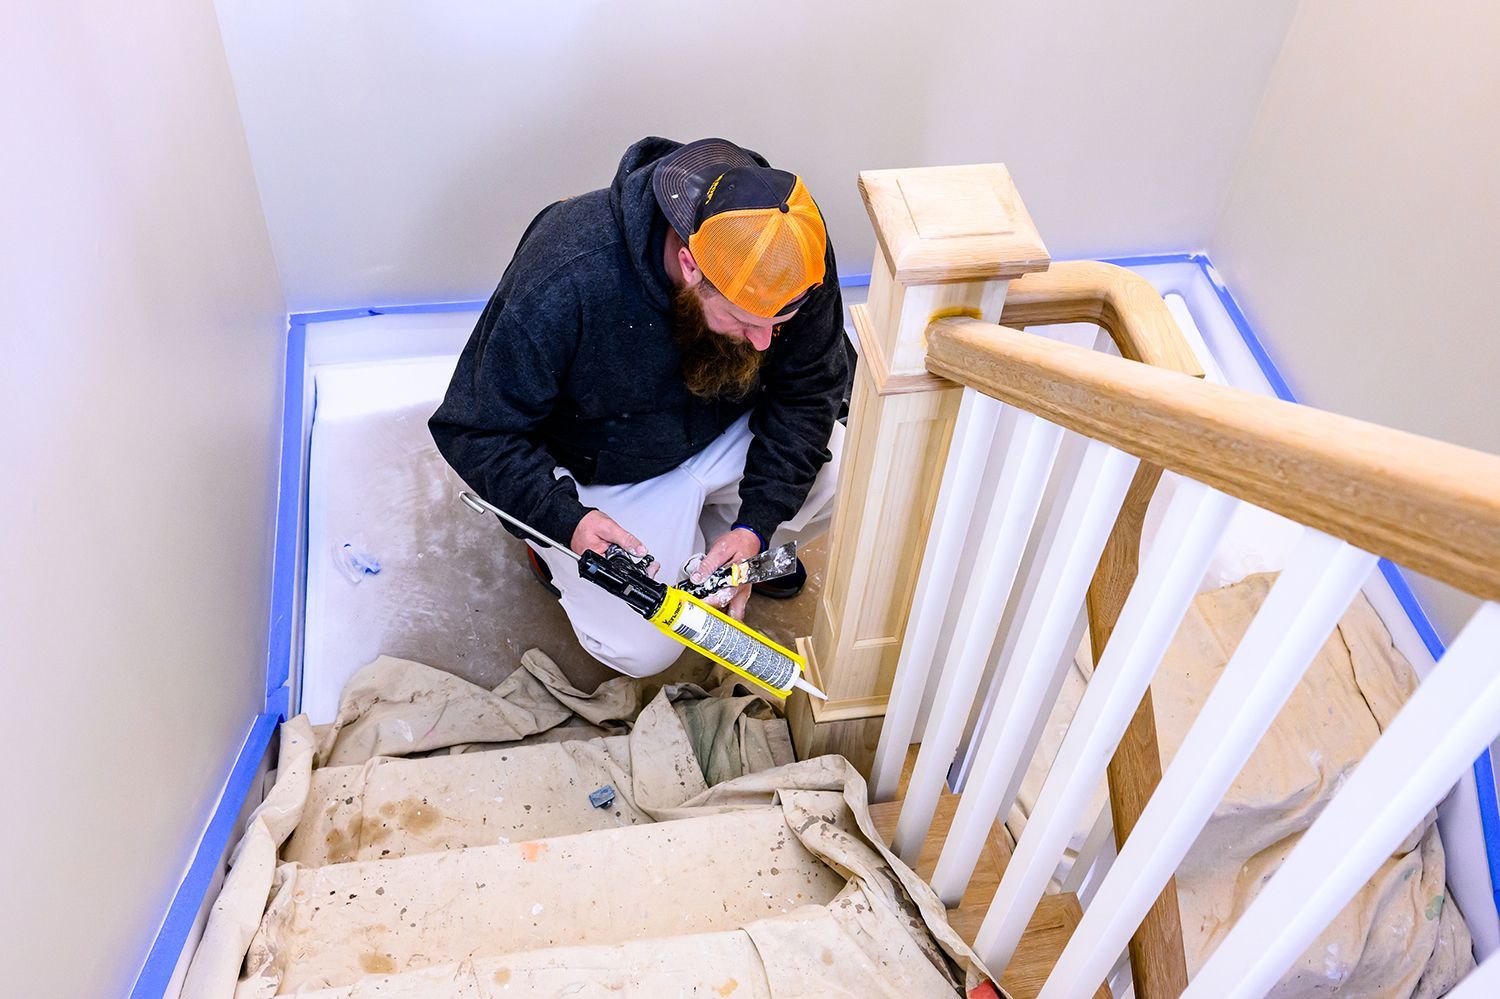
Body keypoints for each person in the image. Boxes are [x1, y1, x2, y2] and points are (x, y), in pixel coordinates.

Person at [431, 136, 849, 678]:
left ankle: (718, 548)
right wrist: (562, 520)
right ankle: (554, 553)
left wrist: (756, 525)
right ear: (691, 265)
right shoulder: (566, 273)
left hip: (720, 432)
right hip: (602, 474)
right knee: (642, 650)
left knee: (851, 468)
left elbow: (809, 389)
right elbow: (475, 429)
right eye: (746, 322)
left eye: (778, 323)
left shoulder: (789, 251)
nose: (765, 343)